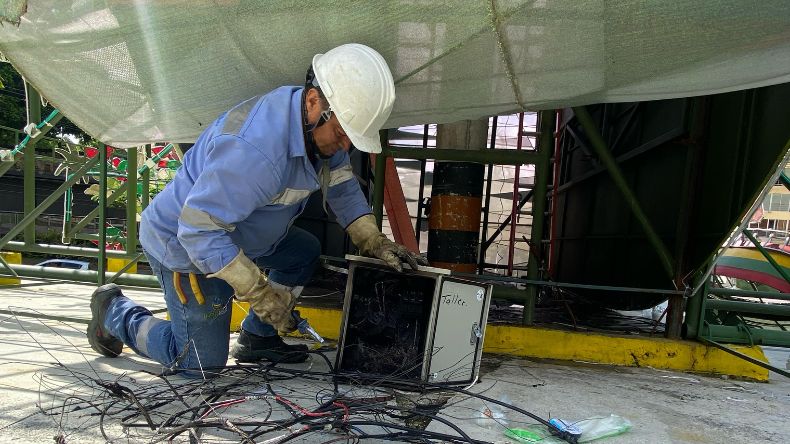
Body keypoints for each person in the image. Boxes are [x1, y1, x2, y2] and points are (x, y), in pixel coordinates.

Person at [86, 43, 426, 377]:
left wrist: (375, 242)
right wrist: (260, 293)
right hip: (186, 244)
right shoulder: (255, 152)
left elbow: (341, 188)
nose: (345, 146)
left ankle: (257, 338)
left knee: (303, 251)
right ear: (312, 102)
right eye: (341, 133)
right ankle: (115, 313)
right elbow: (199, 230)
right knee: (200, 365)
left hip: (241, 233)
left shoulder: (319, 125)